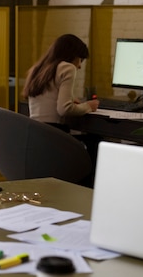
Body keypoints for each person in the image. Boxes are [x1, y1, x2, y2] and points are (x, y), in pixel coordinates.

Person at [22, 34, 101, 185]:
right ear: (72, 55)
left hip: (36, 136)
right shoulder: (67, 67)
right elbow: (64, 109)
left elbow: (48, 100)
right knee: (95, 142)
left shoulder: (38, 69)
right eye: (80, 59)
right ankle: (89, 196)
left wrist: (71, 101)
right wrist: (88, 107)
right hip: (54, 136)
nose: (79, 66)